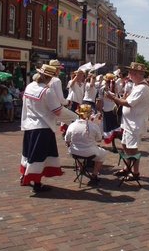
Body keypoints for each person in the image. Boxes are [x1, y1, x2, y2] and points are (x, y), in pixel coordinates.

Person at [20, 64, 77, 193]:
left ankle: (24, 176)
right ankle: (37, 183)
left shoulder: (29, 86)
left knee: (29, 153)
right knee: (39, 156)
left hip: (29, 126)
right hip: (42, 127)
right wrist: (75, 117)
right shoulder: (47, 90)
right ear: (50, 78)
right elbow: (58, 111)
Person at [105, 62, 149, 181]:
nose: (129, 75)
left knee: (132, 149)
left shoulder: (141, 88)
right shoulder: (137, 86)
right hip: (129, 122)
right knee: (125, 145)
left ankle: (135, 172)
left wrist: (113, 98)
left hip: (134, 123)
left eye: (131, 72)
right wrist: (116, 96)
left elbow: (128, 103)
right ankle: (127, 168)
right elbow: (127, 100)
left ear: (138, 74)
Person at [65, 104, 107, 186]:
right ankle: (94, 175)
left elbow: (67, 140)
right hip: (89, 152)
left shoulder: (72, 125)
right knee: (103, 153)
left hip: (74, 152)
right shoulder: (93, 126)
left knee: (78, 152)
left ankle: (81, 168)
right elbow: (99, 140)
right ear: (90, 114)